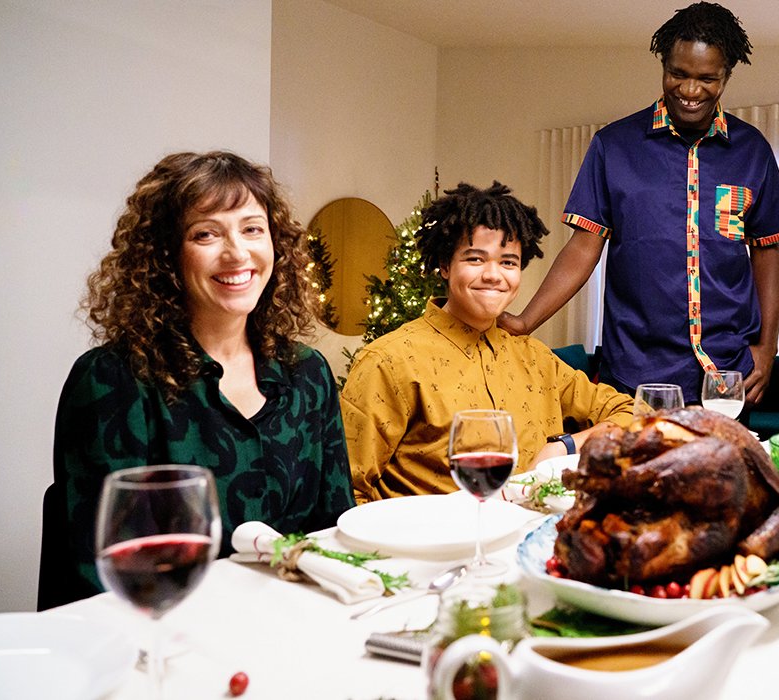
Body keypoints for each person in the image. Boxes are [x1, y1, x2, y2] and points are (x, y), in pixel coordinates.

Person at [51, 151, 354, 604]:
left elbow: (335, 533)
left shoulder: (308, 374)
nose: (237, 253)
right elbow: (102, 576)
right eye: (206, 233)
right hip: (166, 641)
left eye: (253, 228)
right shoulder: (113, 381)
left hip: (296, 629)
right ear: (165, 256)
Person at [499, 2, 779, 407]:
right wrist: (524, 322)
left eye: (707, 78)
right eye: (679, 73)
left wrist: (767, 345)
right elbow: (583, 247)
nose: (691, 90)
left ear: (726, 76)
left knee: (718, 472)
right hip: (637, 372)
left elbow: (766, 250)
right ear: (664, 66)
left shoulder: (752, 151)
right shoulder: (614, 146)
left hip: (726, 372)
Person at [340, 182, 635, 503]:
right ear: (444, 266)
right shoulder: (388, 361)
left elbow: (629, 413)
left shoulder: (536, 358)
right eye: (476, 259)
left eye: (508, 262)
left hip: (531, 542)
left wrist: (563, 446)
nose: (494, 275)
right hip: (436, 548)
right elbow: (345, 491)